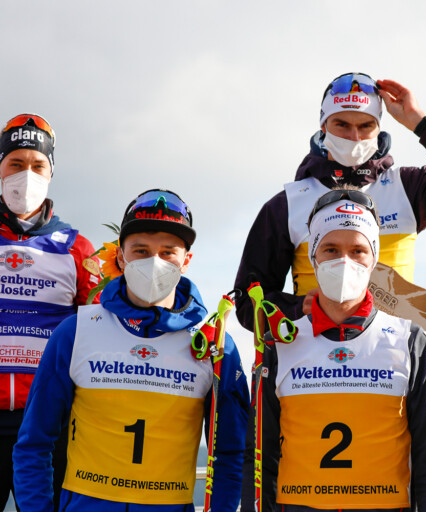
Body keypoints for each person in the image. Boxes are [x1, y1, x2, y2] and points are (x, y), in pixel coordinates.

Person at [12, 189, 249, 511]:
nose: (154, 262)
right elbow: (34, 444)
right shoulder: (76, 331)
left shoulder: (214, 345)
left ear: (186, 261)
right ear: (120, 258)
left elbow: (231, 454)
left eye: (168, 252)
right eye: (141, 250)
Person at [234, 72, 426, 328]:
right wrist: (298, 308)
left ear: (379, 128)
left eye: (365, 126)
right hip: (313, 352)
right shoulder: (287, 204)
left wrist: (420, 123)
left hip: (393, 351)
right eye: (342, 125)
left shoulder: (406, 188)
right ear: (323, 126)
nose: (354, 137)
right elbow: (248, 303)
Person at [258, 188, 426, 512]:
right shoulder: (281, 343)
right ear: (314, 256)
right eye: (330, 249)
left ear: (373, 259)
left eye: (358, 250)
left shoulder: (409, 340)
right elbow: (259, 456)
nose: (344, 261)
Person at [0, 113, 100, 511]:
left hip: (47, 420)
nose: (26, 175)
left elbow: (96, 332)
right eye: (15, 163)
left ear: (50, 173)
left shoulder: (78, 248)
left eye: (37, 165)